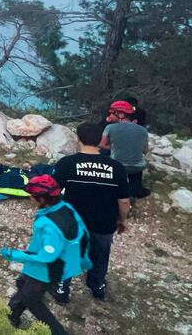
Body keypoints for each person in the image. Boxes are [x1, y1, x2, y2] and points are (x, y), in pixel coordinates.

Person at [0, 175, 91, 335]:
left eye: (32, 195)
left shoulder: (49, 225)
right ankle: (11, 315)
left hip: (48, 269)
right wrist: (84, 258)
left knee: (32, 299)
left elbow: (46, 257)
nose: (29, 198)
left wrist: (14, 255)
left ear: (42, 198)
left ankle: (58, 332)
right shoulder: (66, 207)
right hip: (60, 262)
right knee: (23, 284)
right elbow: (84, 233)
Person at [53, 122, 131, 302]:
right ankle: (97, 286)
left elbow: (54, 192)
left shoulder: (67, 163)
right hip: (103, 222)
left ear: (78, 138)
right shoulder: (116, 167)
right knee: (100, 255)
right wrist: (122, 219)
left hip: (73, 222)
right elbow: (124, 200)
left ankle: (62, 290)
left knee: (67, 253)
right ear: (100, 141)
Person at [100, 100, 150, 203]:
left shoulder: (110, 127)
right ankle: (136, 190)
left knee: (105, 156)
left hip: (118, 166)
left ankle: (113, 190)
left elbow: (102, 144)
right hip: (138, 167)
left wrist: (115, 147)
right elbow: (145, 150)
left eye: (112, 113)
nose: (110, 115)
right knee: (137, 163)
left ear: (121, 114)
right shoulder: (143, 130)